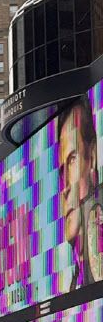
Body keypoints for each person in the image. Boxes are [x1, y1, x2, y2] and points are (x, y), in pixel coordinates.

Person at [58, 94, 103, 292]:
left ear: (91, 158)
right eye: (61, 171)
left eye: (72, 160)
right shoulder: (72, 280)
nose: (65, 187)